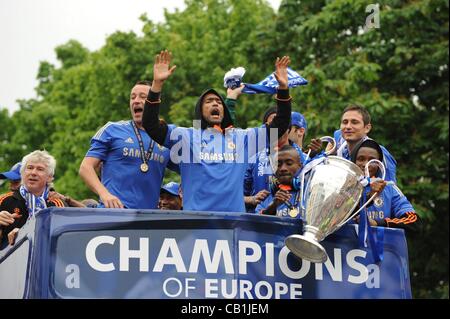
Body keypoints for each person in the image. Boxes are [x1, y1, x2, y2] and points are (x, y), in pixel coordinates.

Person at [143, 50, 292, 213]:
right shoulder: (185, 137)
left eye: (218, 102)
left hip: (232, 226)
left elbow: (280, 125)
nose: (215, 104)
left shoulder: (243, 138)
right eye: (209, 101)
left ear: (224, 110)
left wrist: (283, 89)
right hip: (196, 224)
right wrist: (156, 86)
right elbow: (150, 125)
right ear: (200, 110)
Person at [79, 80, 178, 209]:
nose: (136, 100)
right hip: (113, 215)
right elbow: (85, 168)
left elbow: (191, 170)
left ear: (154, 102)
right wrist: (104, 194)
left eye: (143, 97)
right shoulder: (112, 129)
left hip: (148, 219)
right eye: (133, 97)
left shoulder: (168, 136)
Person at [350, 139, 420, 232]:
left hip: (381, 245)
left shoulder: (389, 188)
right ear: (353, 161)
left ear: (379, 164)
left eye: (372, 160)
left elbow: (414, 221)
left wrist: (378, 224)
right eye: (361, 159)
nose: (366, 164)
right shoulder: (342, 187)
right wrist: (368, 197)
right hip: (343, 245)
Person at [0, 150, 66, 245]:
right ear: (22, 174)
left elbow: (62, 240)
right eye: (30, 168)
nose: (33, 173)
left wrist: (22, 234)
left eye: (40, 169)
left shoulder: (57, 205)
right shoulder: (4, 201)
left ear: (49, 177)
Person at [329, 104, 397, 182]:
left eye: (354, 122)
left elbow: (390, 189)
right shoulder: (339, 147)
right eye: (345, 122)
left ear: (367, 128)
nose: (348, 126)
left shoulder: (379, 152)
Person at [256, 145, 302, 218]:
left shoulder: (307, 191)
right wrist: (273, 206)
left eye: (289, 163)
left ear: (300, 166)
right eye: (278, 165)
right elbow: (256, 224)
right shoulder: (266, 198)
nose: (283, 168)